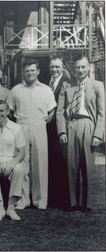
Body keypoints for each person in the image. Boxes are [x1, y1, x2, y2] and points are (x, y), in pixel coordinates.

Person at [56, 55, 105, 213]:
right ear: (74, 69)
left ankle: (87, 203)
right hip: (72, 125)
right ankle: (72, 202)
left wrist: (98, 135)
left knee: (87, 166)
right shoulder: (66, 85)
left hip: (88, 125)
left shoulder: (97, 85)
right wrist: (62, 131)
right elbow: (60, 111)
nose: (80, 70)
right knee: (71, 165)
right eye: (77, 67)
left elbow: (102, 113)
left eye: (83, 67)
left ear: (89, 67)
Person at [7, 58, 56, 210]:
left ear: (38, 71)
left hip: (40, 126)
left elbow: (52, 110)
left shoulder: (46, 89)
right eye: (27, 71)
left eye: (32, 70)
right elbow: (10, 111)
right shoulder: (16, 90)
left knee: (40, 164)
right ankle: (22, 200)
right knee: (23, 163)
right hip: (21, 125)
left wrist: (42, 123)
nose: (30, 73)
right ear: (23, 72)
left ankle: (40, 200)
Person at [47, 56, 71, 209]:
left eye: (57, 67)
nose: (54, 70)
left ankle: (64, 199)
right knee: (53, 163)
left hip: (61, 129)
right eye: (52, 67)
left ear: (62, 68)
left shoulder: (66, 83)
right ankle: (54, 197)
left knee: (62, 164)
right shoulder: (49, 82)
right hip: (50, 129)